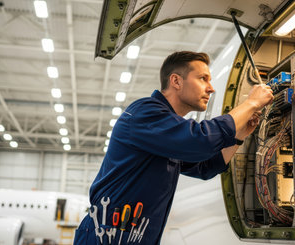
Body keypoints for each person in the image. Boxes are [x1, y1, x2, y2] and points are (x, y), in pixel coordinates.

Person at [74, 51, 273, 245]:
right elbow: (201, 141)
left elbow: (206, 167)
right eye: (203, 78)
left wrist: (238, 136)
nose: (211, 88)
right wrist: (252, 103)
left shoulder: (167, 134)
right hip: (107, 237)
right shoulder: (145, 112)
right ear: (176, 81)